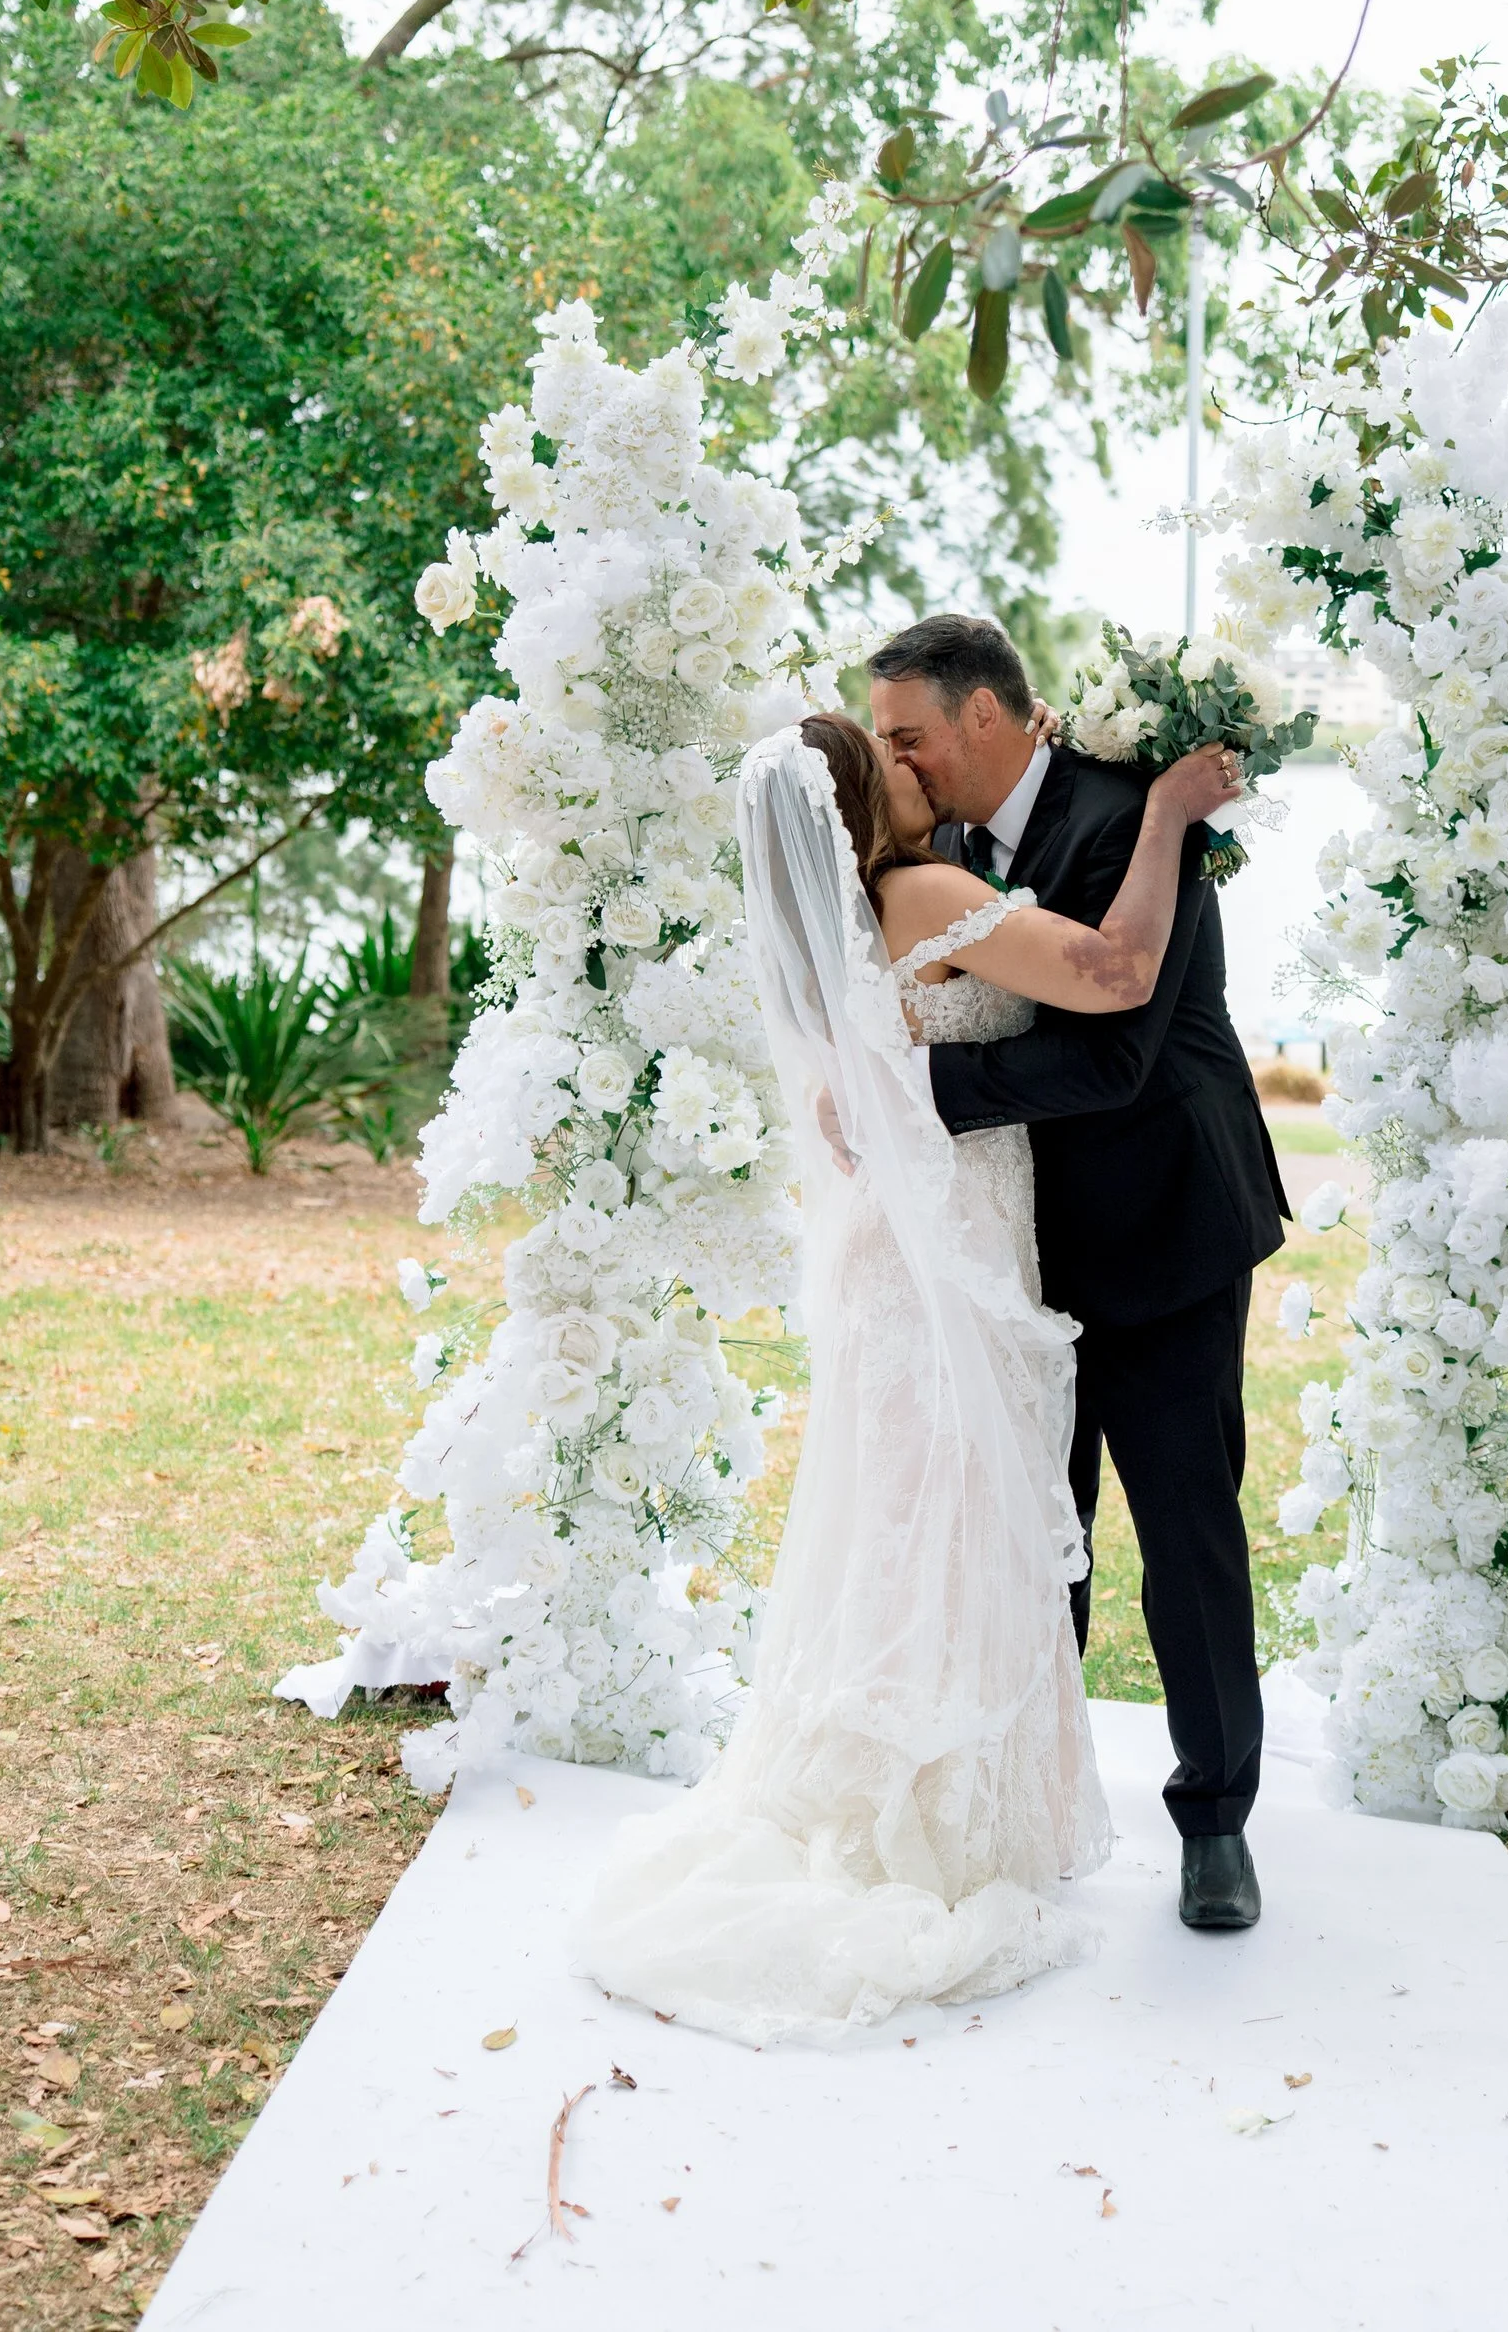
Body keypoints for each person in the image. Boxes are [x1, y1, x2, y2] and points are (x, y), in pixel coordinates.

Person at [574, 711, 1240, 2045]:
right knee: (958, 1527)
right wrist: (1169, 817)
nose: (912, 763)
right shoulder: (920, 894)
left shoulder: (847, 923)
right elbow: (1115, 974)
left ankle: (924, 1786)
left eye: (910, 737)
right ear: (858, 805)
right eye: (887, 754)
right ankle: (936, 1817)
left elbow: (878, 1069)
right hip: (952, 1266)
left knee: (908, 1535)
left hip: (905, 1259)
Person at [868, 614, 1288, 1934]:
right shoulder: (936, 856)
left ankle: (1215, 1823)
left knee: (1185, 1536)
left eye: (910, 735)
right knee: (1038, 1540)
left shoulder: (1129, 819)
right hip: (1018, 1260)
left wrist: (914, 1089)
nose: (898, 761)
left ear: (984, 714)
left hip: (1166, 1232)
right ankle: (1036, 1799)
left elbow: (1113, 1056)